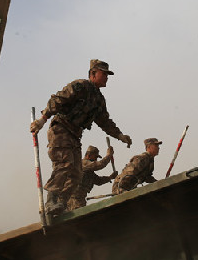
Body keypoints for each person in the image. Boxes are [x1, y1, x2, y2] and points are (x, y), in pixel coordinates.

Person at [30, 59, 132, 217]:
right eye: (104, 74)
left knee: (77, 174)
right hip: (61, 129)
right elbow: (57, 100)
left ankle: (61, 203)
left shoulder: (99, 100)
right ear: (93, 74)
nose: (106, 77)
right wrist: (42, 120)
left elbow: (105, 121)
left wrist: (120, 136)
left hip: (75, 135)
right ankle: (51, 200)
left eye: (107, 75)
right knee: (65, 164)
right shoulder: (80, 86)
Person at [67, 145, 117, 211]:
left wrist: (110, 177)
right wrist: (109, 155)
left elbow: (98, 181)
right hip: (74, 198)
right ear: (88, 155)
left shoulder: (89, 171)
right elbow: (99, 165)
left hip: (80, 198)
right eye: (95, 157)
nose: (96, 159)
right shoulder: (83, 163)